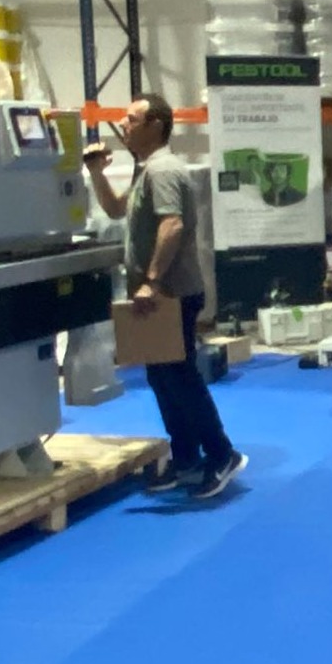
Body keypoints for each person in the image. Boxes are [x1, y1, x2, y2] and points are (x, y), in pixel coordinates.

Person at [85, 95, 248, 500]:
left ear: (156, 125)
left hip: (171, 294)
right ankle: (186, 455)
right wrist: (97, 173)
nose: (123, 125)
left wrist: (153, 281)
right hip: (157, 297)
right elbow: (117, 210)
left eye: (132, 119)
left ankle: (221, 453)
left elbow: (172, 225)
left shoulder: (163, 170)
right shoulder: (146, 169)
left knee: (181, 377)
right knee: (162, 378)